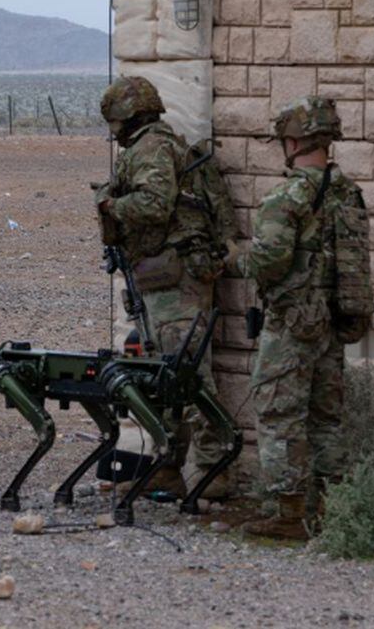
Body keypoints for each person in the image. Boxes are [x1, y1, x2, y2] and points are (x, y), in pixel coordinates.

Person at [226, 95, 372, 540]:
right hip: (333, 318)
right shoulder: (347, 192)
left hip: (292, 322)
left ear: (293, 141)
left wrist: (234, 258)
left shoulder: (288, 194)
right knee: (326, 417)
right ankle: (330, 509)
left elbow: (269, 259)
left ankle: (289, 515)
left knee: (278, 412)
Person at [95, 75, 240, 497]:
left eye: (114, 121)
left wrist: (110, 205)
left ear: (127, 116)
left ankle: (216, 469)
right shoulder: (154, 146)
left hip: (177, 281)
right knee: (165, 376)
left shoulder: (152, 148)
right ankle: (167, 466)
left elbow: (154, 205)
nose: (114, 131)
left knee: (189, 375)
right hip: (162, 278)